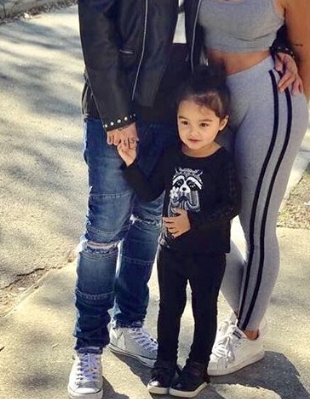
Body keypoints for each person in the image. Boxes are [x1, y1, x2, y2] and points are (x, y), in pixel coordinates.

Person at [70, 0, 298, 397]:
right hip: (120, 105)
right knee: (104, 230)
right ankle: (88, 347)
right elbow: (95, 26)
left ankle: (127, 326)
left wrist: (284, 47)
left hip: (181, 112)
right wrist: (116, 115)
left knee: (150, 224)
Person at [196, 0, 310, 376]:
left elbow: (304, 54)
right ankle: (248, 319)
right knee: (204, 217)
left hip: (270, 102)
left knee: (256, 220)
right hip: (213, 108)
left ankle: (245, 334)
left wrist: (292, 122)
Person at [117, 64, 240, 397]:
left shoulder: (222, 161)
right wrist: (131, 164)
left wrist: (193, 221)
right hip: (170, 251)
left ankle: (197, 367)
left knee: (204, 310)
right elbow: (149, 191)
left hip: (208, 255)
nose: (192, 131)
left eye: (203, 124)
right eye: (184, 122)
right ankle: (164, 365)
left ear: (222, 123)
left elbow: (232, 205)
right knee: (169, 310)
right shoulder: (172, 154)